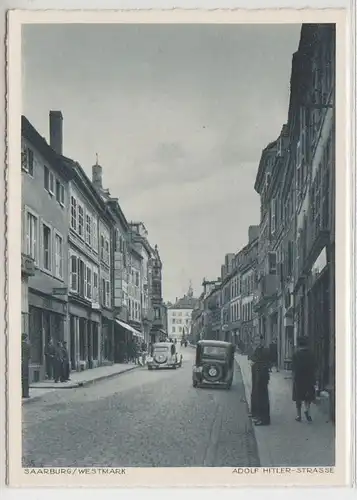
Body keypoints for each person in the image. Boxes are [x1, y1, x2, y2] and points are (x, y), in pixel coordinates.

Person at [292, 336, 316, 422]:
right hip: (309, 378)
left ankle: (299, 415)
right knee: (308, 396)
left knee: (298, 397)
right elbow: (314, 366)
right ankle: (307, 410)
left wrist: (293, 377)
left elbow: (293, 368)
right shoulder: (311, 354)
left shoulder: (296, 354)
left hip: (298, 378)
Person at [250, 336, 271, 426]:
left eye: (259, 340)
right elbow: (252, 358)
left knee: (262, 398)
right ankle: (257, 415)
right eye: (256, 340)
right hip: (257, 376)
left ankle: (264, 419)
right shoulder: (257, 349)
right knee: (257, 396)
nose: (257, 342)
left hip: (261, 376)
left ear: (263, 340)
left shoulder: (265, 350)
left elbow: (263, 362)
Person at [21, 333, 30, 398]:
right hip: (25, 363)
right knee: (25, 378)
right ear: (26, 338)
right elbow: (29, 356)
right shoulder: (27, 346)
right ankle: (25, 394)